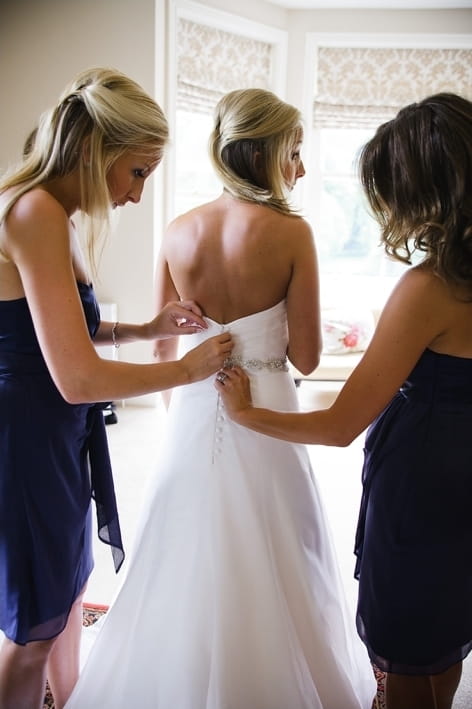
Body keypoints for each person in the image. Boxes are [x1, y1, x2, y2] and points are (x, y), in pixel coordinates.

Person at [64, 87, 377, 709]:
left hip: (196, 405)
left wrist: (193, 402)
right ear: (262, 155)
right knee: (283, 546)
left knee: (183, 543)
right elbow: (309, 359)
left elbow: (162, 346)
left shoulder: (180, 230)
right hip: (268, 412)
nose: (302, 169)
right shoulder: (292, 233)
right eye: (294, 153)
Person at [216, 92, 472, 709]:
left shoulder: (430, 289)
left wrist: (248, 414)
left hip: (423, 486)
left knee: (409, 647)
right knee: (446, 632)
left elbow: (339, 426)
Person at [0, 66, 233, 709]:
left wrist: (145, 328)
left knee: (66, 587)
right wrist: (186, 369)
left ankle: (65, 698)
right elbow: (75, 377)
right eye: (137, 172)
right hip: (26, 436)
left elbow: (63, 324)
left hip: (56, 430)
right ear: (97, 150)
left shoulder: (57, 214)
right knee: (32, 625)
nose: (136, 197)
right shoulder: (34, 212)